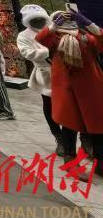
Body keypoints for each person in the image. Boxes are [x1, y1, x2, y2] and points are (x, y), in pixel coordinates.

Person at [36, 9, 103, 173]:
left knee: (97, 126)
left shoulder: (86, 38)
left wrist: (86, 21)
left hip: (91, 89)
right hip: (68, 90)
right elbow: (41, 38)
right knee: (69, 124)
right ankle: (70, 159)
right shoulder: (54, 39)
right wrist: (54, 25)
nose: (67, 22)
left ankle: (100, 163)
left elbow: (101, 37)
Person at [16, 5, 64, 154]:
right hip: (45, 72)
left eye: (40, 19)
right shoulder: (23, 36)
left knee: (71, 104)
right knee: (49, 105)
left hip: (64, 71)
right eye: (34, 20)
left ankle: (84, 138)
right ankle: (59, 137)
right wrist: (44, 52)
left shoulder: (54, 27)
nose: (38, 22)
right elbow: (27, 53)